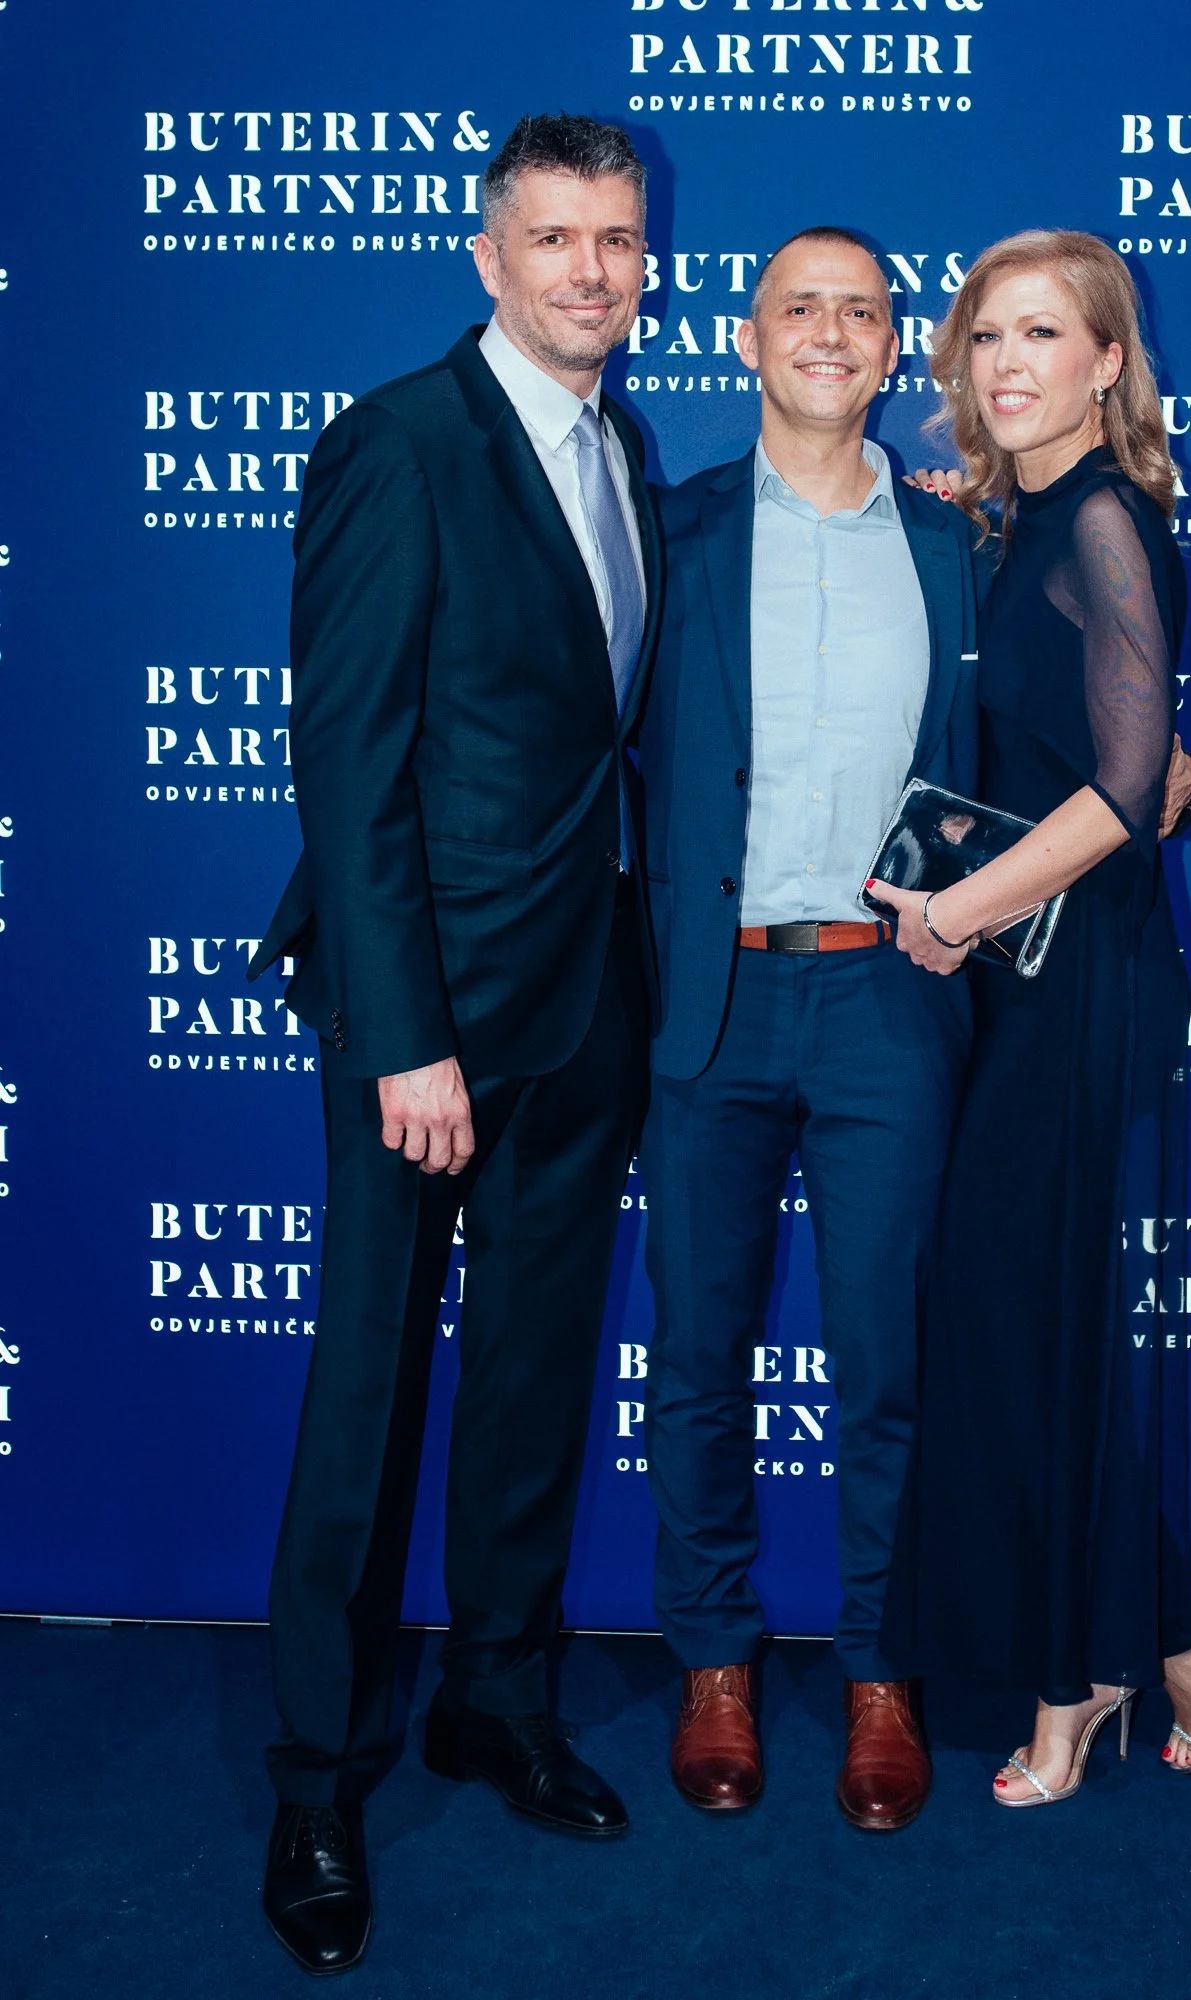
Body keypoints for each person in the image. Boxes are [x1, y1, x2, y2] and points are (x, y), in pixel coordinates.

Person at [637, 225, 1191, 1830]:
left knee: (895, 1361)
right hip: (713, 999)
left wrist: (1175, 772)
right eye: (797, 307)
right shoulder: (669, 535)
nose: (831, 331)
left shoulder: (961, 541)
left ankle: (883, 1670)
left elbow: (1083, 721)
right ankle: (715, 1666)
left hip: (898, 1001)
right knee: (694, 1358)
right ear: (749, 340)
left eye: (863, 311)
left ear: (898, 354)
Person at [244, 115, 661, 1972]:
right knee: (368, 1400)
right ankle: (318, 1777)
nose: (590, 269)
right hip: (423, 1024)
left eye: (619, 239)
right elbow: (345, 761)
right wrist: (404, 1037)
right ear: (484, 256)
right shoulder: (399, 444)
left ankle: (496, 1700)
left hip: (584, 1008)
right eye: (555, 237)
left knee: (531, 1382)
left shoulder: (626, 445)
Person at [874, 231, 1191, 1807]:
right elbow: (1126, 752)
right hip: (1013, 988)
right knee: (1012, 1333)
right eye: (986, 335)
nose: (1009, 361)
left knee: (1039, 1333)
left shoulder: (1105, 520)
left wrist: (960, 910)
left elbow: (1114, 788)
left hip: (1073, 982)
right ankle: (1172, 1623)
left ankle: (1080, 1681)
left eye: (1047, 333)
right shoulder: (1001, 519)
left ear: (1111, 363)